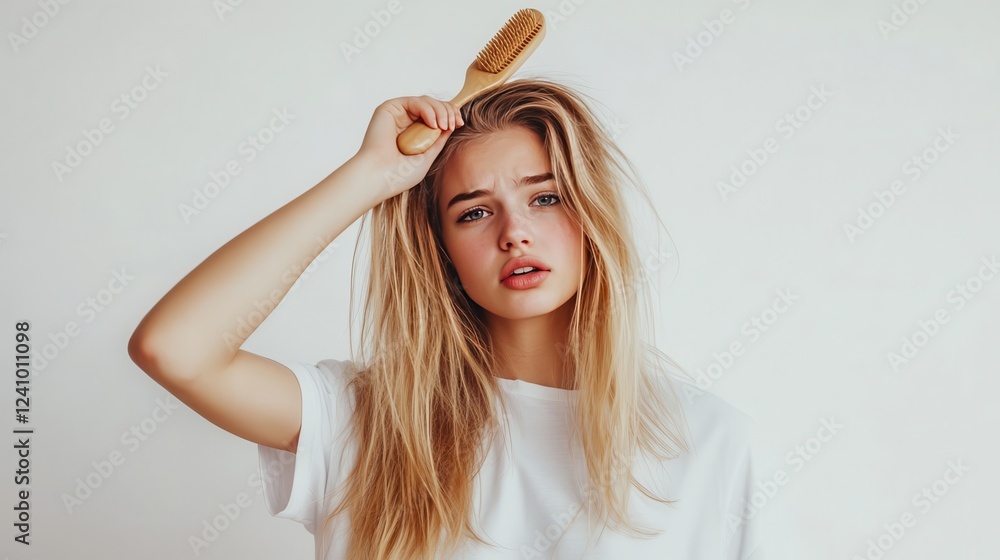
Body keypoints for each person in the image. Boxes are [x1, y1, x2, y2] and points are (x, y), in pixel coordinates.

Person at [128, 78, 769, 559]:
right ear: (441, 251)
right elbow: (174, 348)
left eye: (545, 197)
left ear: (590, 218)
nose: (515, 233)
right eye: (473, 212)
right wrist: (370, 175)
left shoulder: (707, 441)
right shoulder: (367, 419)